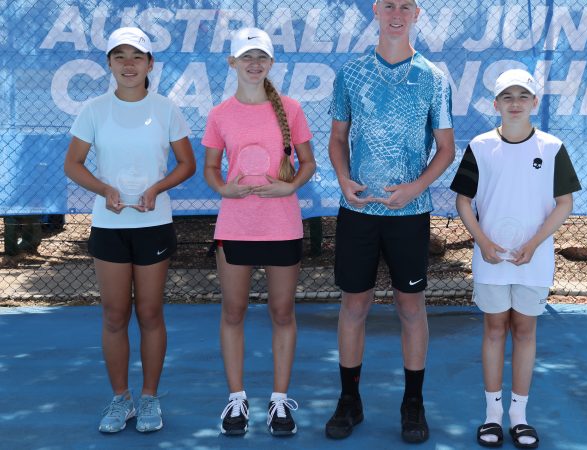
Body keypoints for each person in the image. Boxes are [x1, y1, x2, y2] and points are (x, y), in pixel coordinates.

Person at [325, 0, 455, 443]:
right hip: (359, 212)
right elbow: (338, 138)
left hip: (410, 215)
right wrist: (343, 178)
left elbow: (445, 150)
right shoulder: (352, 73)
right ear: (376, 12)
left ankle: (412, 403)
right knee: (354, 306)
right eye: (388, 5)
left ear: (417, 13)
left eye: (405, 5)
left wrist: (415, 188)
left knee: (411, 308)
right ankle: (349, 400)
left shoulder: (433, 78)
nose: (396, 13)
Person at [63, 27, 196, 433]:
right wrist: (104, 189)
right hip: (110, 227)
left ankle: (150, 399)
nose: (128, 64)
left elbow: (186, 164)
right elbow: (73, 164)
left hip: (154, 226)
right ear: (109, 64)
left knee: (151, 312)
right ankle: (121, 400)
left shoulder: (167, 109)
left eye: (136, 56)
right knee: (115, 315)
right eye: (119, 56)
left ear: (150, 64)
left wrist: (157, 188)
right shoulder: (93, 110)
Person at [450, 69, 581, 449]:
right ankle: (492, 416)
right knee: (494, 330)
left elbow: (564, 203)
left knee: (524, 332)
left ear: (535, 103)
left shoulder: (553, 147)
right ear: (496, 104)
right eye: (507, 96)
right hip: (490, 258)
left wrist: (537, 243)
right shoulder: (479, 146)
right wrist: (483, 241)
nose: (515, 103)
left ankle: (519, 417)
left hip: (534, 260)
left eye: (523, 96)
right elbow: (463, 200)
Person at [202, 27, 316, 437]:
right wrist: (223, 189)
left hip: (281, 226)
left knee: (282, 313)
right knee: (233, 312)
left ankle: (280, 401)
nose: (254, 64)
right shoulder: (220, 114)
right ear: (232, 63)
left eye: (261, 57)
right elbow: (211, 169)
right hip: (235, 227)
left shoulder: (291, 108)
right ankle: (236, 399)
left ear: (270, 63)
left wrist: (290, 186)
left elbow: (308, 163)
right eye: (246, 57)